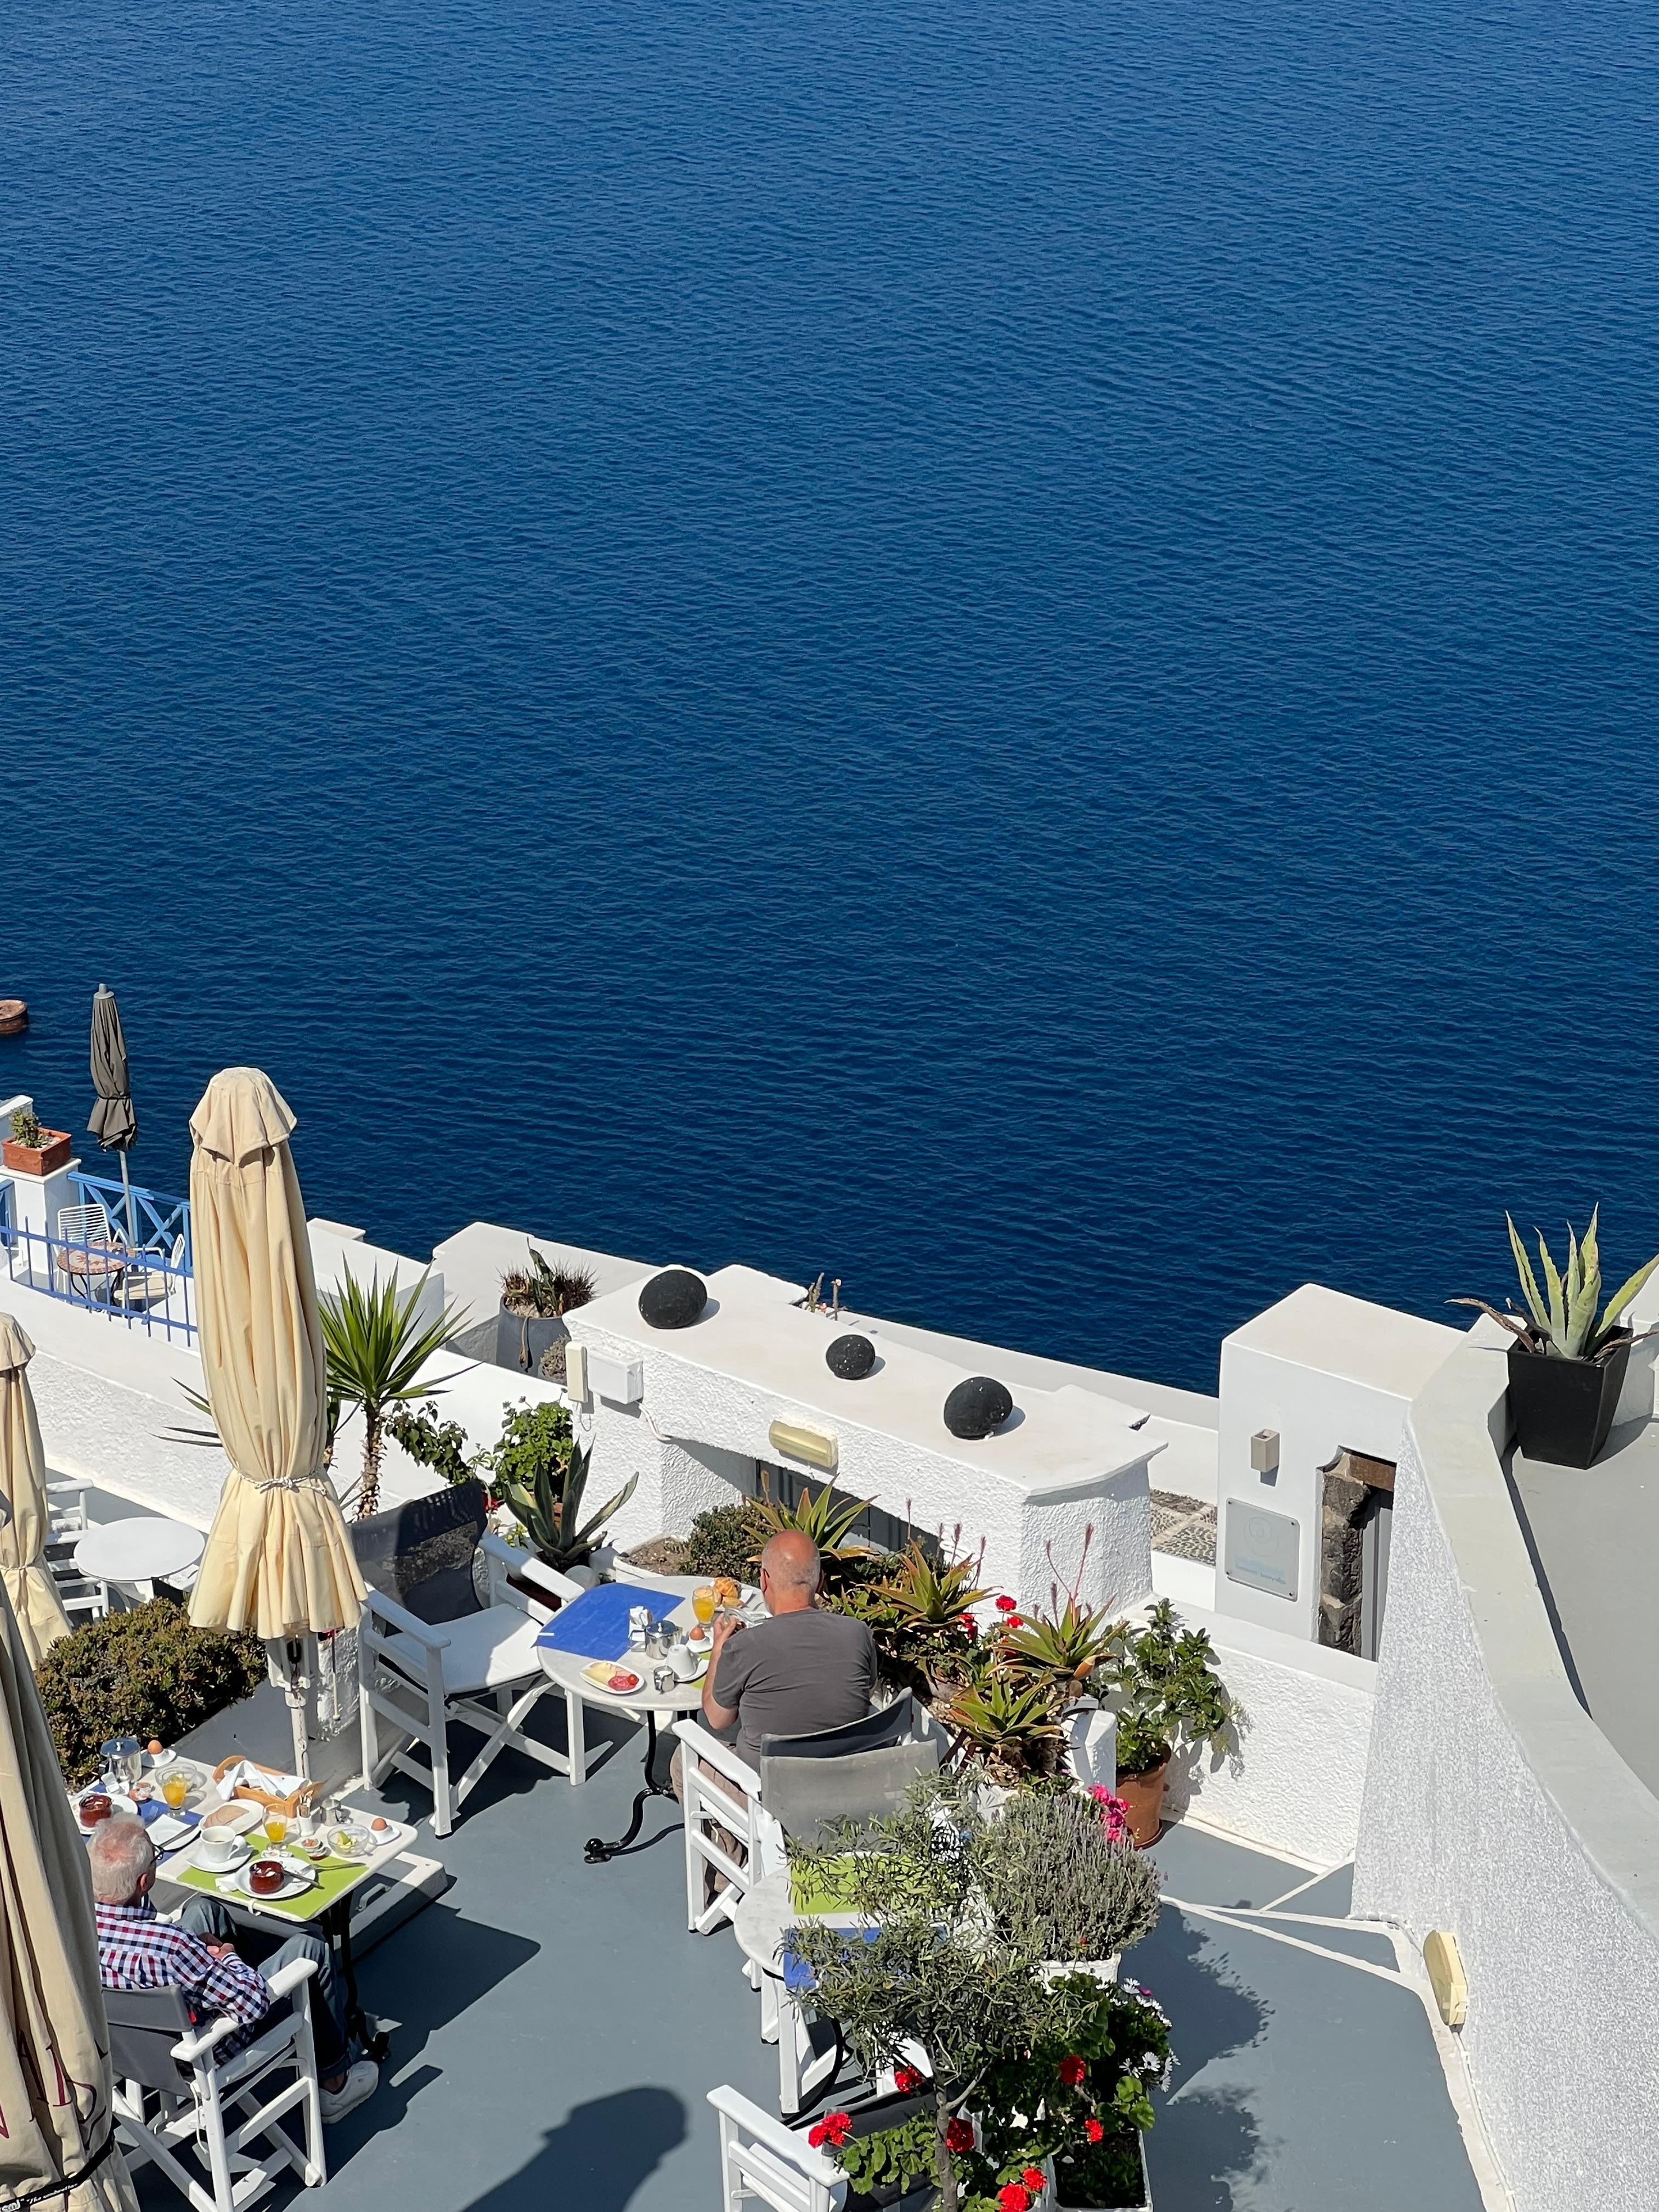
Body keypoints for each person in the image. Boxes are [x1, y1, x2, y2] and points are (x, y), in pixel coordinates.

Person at [89, 1816, 377, 2124]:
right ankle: (335, 2085)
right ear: (144, 1882)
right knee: (311, 1947)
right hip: (205, 2051)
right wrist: (228, 1958)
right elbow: (252, 2004)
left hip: (136, 2051)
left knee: (204, 1909)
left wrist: (201, 1956)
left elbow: (150, 1940)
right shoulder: (171, 1948)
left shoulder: (74, 1933)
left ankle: (234, 1979)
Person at [701, 1528, 877, 1774]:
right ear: (820, 1581)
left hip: (764, 1790)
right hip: (844, 1781)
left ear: (764, 1580)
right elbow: (865, 1694)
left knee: (680, 1762)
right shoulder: (858, 1634)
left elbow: (718, 1719)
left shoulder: (744, 1646)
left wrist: (719, 1650)